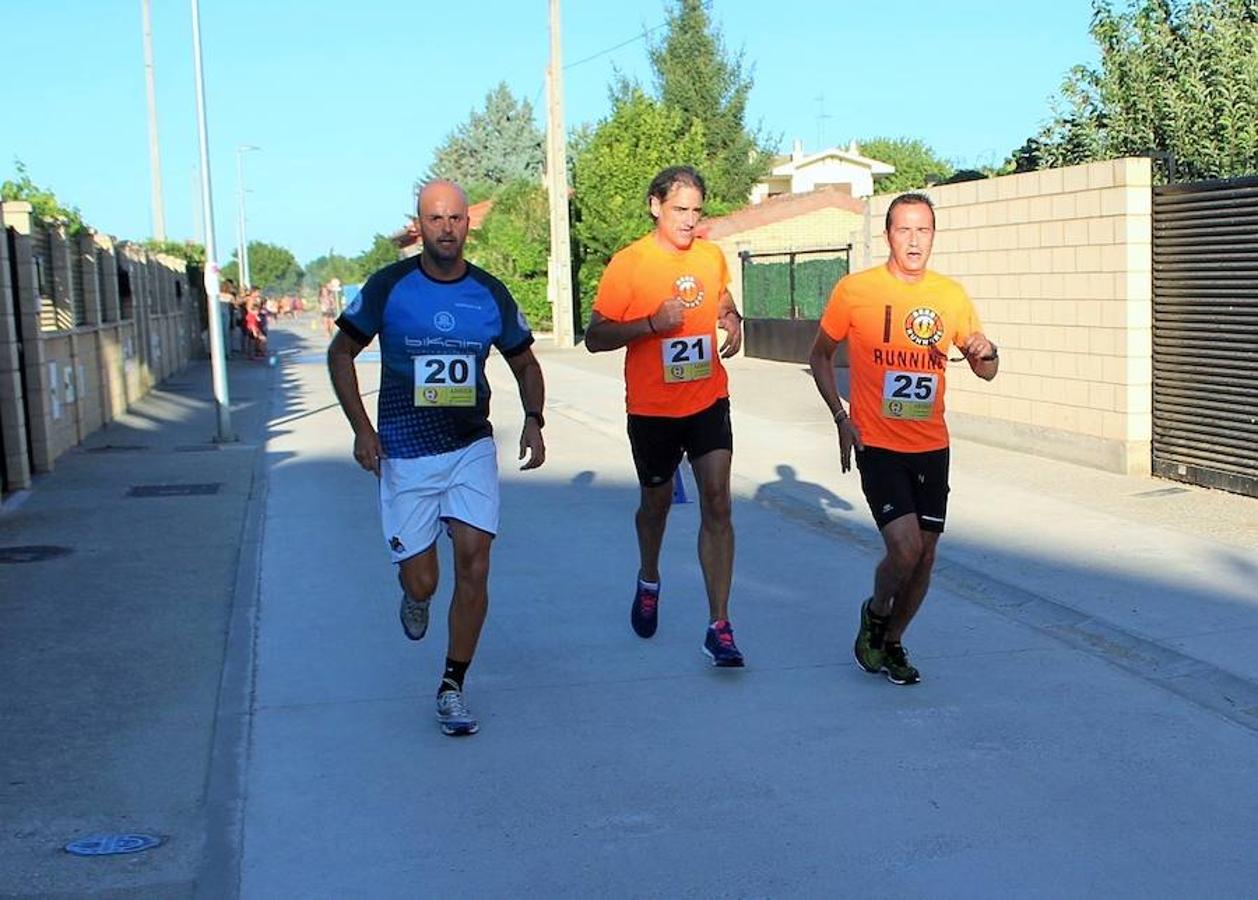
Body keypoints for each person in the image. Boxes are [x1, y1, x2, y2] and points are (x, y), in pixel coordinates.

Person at [327, 179, 547, 736]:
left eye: (455, 218)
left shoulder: (489, 292)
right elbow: (341, 352)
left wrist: (534, 420)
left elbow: (524, 363)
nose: (446, 228)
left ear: (467, 223)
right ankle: (413, 593)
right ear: (418, 225)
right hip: (405, 450)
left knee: (475, 562)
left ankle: (452, 685)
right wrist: (362, 428)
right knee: (424, 581)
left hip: (471, 445)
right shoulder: (390, 287)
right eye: (435, 219)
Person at [808, 192, 999, 685]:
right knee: (906, 549)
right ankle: (875, 612)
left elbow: (987, 371)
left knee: (927, 555)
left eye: (924, 230)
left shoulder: (950, 295)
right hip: (878, 443)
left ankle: (892, 642)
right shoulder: (856, 291)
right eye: (904, 230)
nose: (914, 241)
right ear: (888, 235)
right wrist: (840, 415)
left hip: (932, 445)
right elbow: (820, 356)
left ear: (933, 235)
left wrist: (986, 350)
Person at [584, 165, 746, 667]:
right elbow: (595, 336)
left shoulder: (711, 255)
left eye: (696, 211)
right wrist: (652, 324)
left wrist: (731, 317)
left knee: (717, 501)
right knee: (656, 504)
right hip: (653, 407)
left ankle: (719, 625)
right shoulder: (629, 264)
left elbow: (718, 293)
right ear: (656, 206)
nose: (689, 221)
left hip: (706, 399)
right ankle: (649, 576)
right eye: (680, 210)